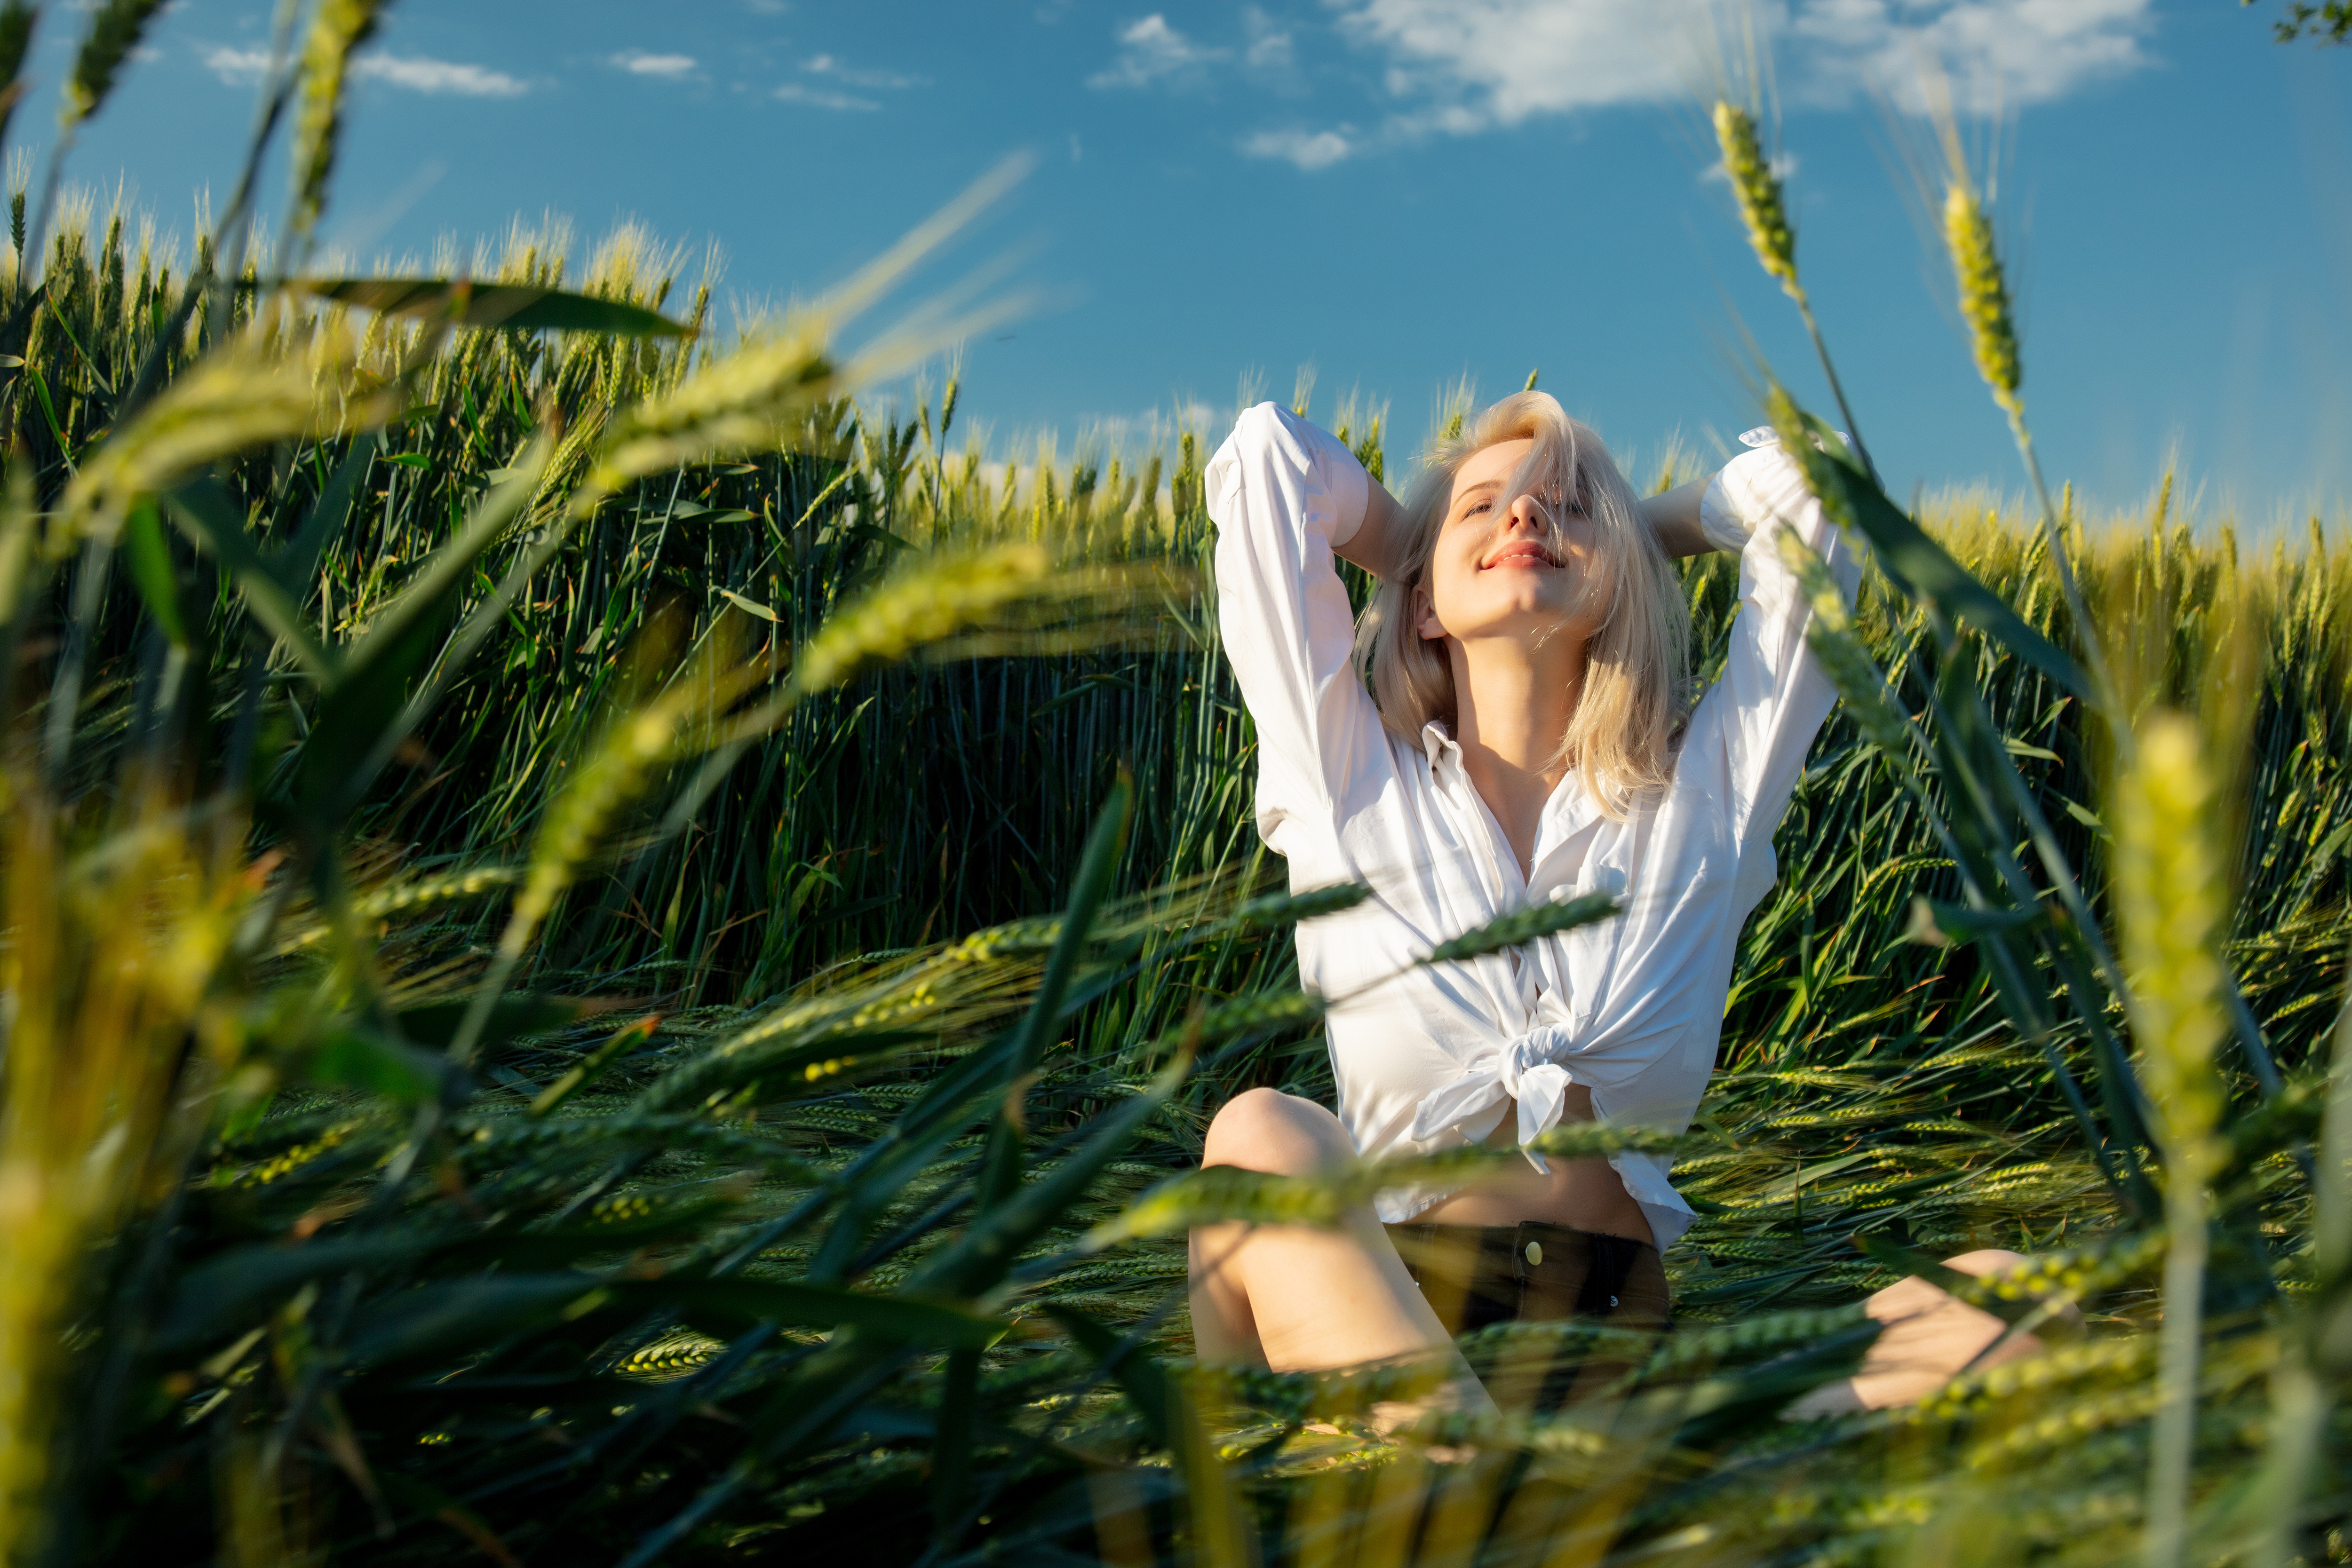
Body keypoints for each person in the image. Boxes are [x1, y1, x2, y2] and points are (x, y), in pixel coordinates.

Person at [1189, 393, 2048, 1416]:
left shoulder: (1706, 797)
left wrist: (1628, 538)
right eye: (1485, 506)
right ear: (1421, 603)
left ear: (1620, 581)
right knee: (1260, 1134)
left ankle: (1553, 1505)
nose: (1522, 518)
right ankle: (1477, 1480)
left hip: (1624, 1375)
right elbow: (1269, 463)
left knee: (2014, 1301)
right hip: (1385, 1331)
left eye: (1565, 506)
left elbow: (1814, 501)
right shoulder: (1346, 780)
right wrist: (1425, 547)